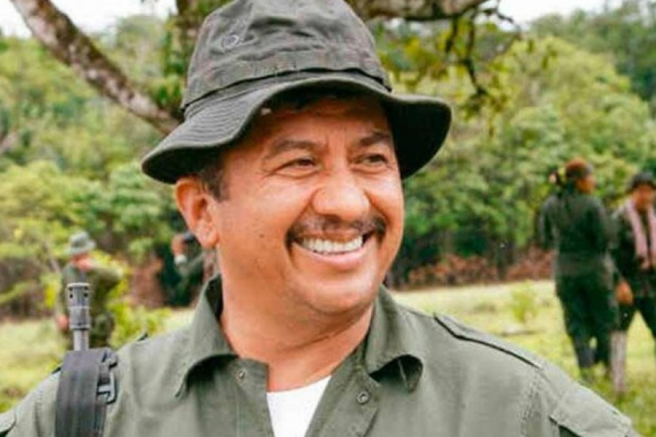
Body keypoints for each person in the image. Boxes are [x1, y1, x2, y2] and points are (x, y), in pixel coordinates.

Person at [0, 1, 637, 436]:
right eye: (299, 163)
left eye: (371, 159)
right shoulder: (84, 418)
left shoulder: (517, 412)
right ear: (202, 210)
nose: (349, 203)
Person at [538, 159, 617, 382]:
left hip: (565, 272)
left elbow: (543, 238)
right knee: (604, 321)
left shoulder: (549, 205)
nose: (594, 181)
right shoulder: (592, 204)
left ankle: (587, 374)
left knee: (576, 324)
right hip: (595, 271)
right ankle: (609, 371)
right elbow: (604, 239)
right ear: (580, 181)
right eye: (591, 176)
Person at [610, 171, 656, 394]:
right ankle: (618, 385)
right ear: (632, 192)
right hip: (627, 284)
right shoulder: (619, 219)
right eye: (640, 191)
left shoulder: (653, 217)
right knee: (619, 332)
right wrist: (619, 283)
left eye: (649, 191)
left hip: (651, 285)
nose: (645, 196)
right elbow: (609, 255)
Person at [55, 231, 121, 349]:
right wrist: (60, 314)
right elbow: (61, 296)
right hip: (74, 326)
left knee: (100, 355)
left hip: (96, 327)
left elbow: (115, 279)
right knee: (75, 355)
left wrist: (93, 268)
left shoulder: (97, 271)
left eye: (81, 254)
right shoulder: (68, 271)